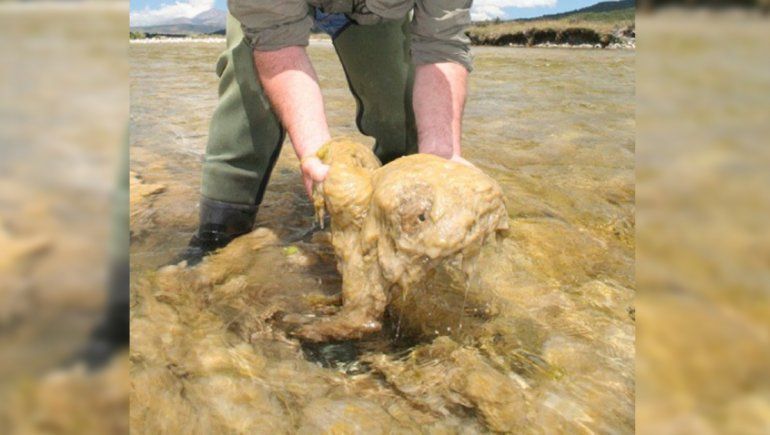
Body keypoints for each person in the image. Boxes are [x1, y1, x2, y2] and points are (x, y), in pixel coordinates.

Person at [181, 1, 474, 265]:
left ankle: (396, 234)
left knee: (400, 112)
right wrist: (314, 151)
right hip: (273, 13)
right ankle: (217, 235)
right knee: (247, 93)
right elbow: (274, 42)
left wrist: (441, 156)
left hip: (375, 16)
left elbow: (442, 44)